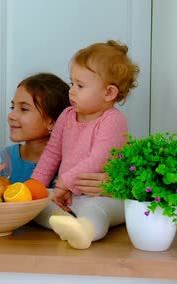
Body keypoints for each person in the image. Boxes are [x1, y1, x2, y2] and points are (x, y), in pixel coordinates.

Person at [32, 40, 139, 249]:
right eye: (72, 83)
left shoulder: (113, 120)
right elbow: (52, 154)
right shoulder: (67, 115)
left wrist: (63, 184)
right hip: (70, 196)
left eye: (80, 86)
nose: (71, 91)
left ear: (109, 93)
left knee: (97, 212)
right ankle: (69, 225)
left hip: (101, 196)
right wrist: (34, 188)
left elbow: (98, 159)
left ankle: (84, 231)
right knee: (39, 205)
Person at [6, 73, 70, 183]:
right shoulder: (2, 160)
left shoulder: (71, 164)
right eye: (12, 107)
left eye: (24, 109)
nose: (11, 116)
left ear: (52, 122)